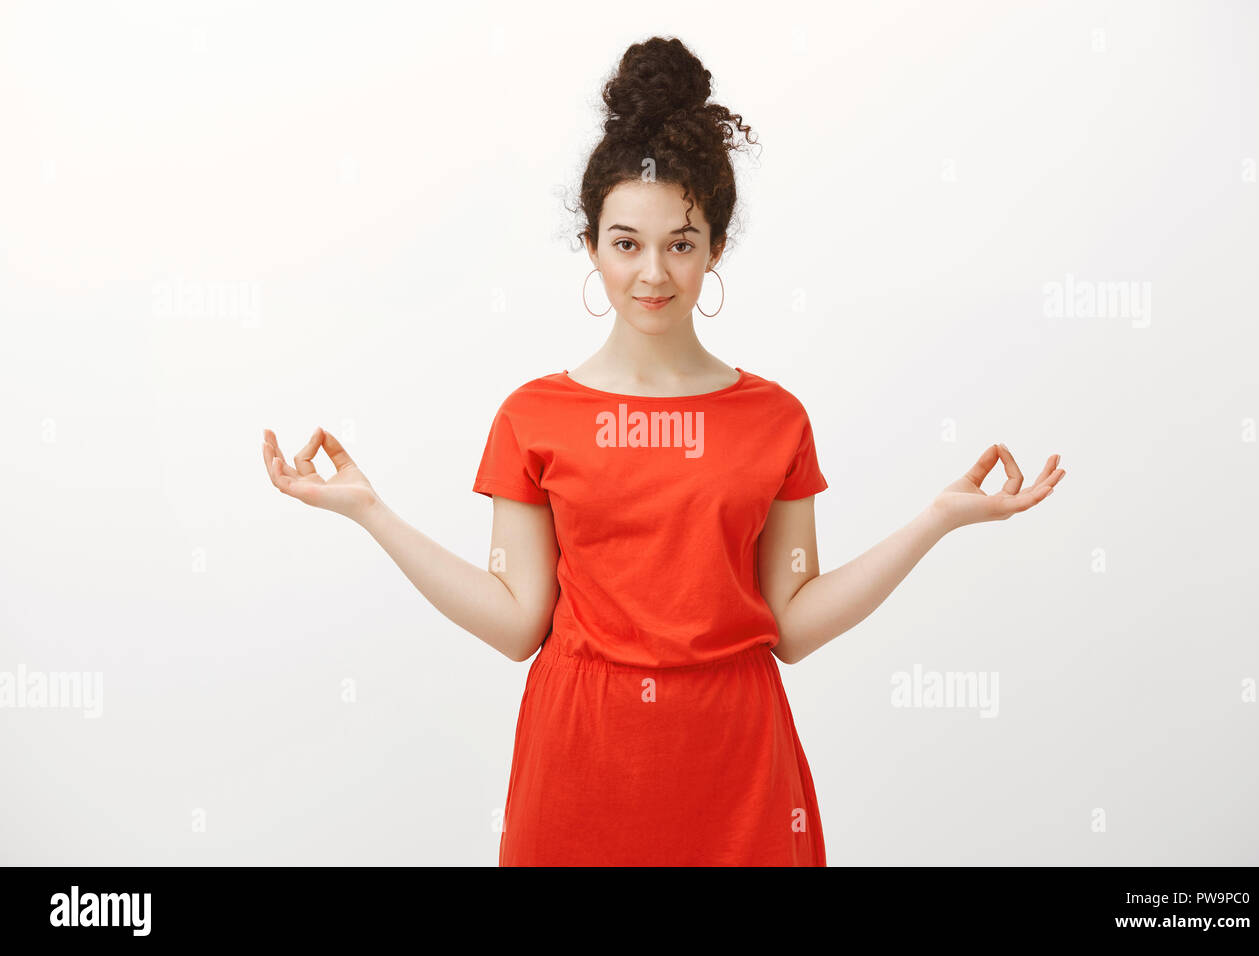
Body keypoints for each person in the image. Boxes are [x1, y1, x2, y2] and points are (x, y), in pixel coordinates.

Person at [260, 36, 1065, 866]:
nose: (653, 272)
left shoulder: (774, 419)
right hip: (582, 762)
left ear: (716, 248)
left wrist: (936, 520)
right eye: (626, 243)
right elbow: (514, 622)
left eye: (681, 243)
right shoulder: (533, 418)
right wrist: (369, 512)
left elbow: (792, 622)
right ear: (591, 247)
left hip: (737, 766)